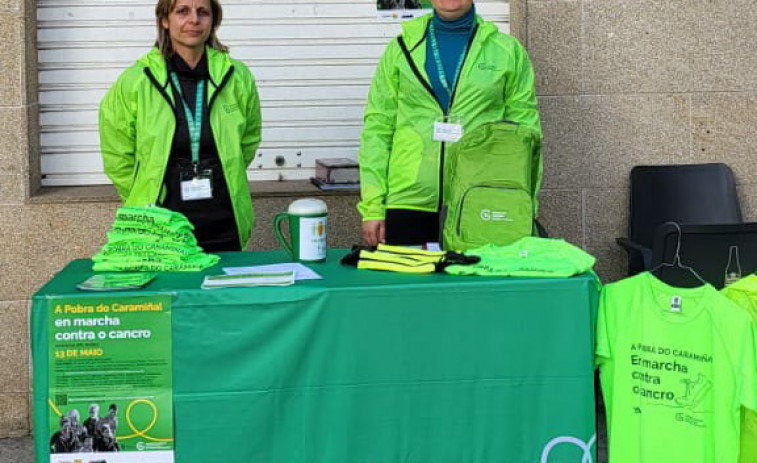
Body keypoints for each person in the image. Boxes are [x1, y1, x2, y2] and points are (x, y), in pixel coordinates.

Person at [358, 0, 542, 246]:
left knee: (473, 284)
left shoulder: (506, 51)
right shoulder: (401, 49)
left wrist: (524, 203)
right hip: (409, 196)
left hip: (481, 194)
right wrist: (373, 207)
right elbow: (377, 129)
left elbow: (526, 139)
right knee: (409, 283)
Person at [99, 0, 262, 252]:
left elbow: (248, 141)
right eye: (182, 11)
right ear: (165, 20)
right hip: (160, 225)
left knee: (221, 291)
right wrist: (143, 193)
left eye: (203, 12)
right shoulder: (136, 82)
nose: (194, 20)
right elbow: (116, 153)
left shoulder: (237, 77)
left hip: (224, 222)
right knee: (167, 292)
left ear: (213, 21)